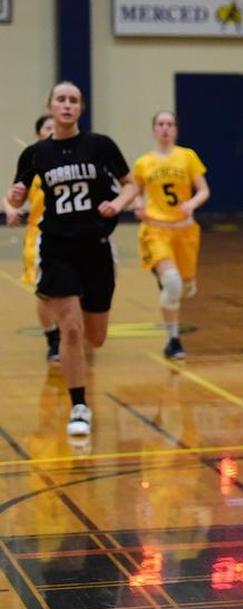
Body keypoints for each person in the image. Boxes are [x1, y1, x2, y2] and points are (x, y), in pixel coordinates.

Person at [7, 81, 140, 440]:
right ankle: (79, 405)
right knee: (70, 328)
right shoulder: (35, 154)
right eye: (61, 100)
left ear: (81, 108)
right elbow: (15, 197)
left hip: (95, 246)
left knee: (95, 338)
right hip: (57, 247)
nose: (67, 105)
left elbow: (131, 184)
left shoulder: (100, 146)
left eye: (74, 100)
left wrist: (119, 203)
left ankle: (78, 336)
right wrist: (13, 200)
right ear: (50, 106)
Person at [131, 111, 211, 359]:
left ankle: (174, 283)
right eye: (160, 124)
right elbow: (134, 190)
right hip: (156, 230)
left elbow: (204, 190)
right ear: (154, 129)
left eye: (170, 124)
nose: (165, 128)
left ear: (176, 129)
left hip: (185, 230)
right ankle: (173, 339)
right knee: (173, 284)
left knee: (184, 288)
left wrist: (192, 204)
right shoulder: (143, 162)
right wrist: (137, 205)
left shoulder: (187, 156)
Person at [3, 114, 59, 361]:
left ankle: (70, 333)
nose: (51, 130)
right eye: (47, 127)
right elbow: (11, 196)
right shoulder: (33, 162)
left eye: (54, 127)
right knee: (45, 291)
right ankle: (53, 339)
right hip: (39, 234)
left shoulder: (73, 159)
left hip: (71, 233)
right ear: (39, 134)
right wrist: (12, 208)